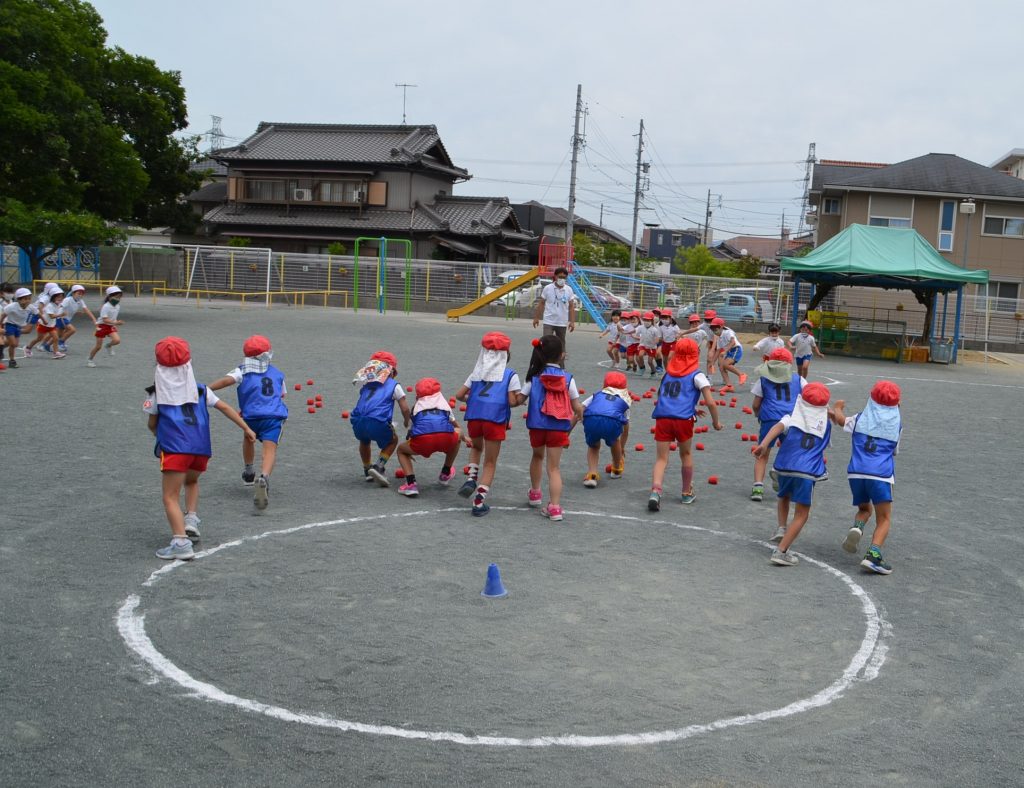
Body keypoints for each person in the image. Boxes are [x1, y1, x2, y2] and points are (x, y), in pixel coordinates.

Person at [143, 336, 256, 560]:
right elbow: (224, 407)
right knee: (192, 481)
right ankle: (191, 518)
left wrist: (158, 433)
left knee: (170, 497)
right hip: (201, 448)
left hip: (175, 449)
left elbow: (152, 424)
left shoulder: (157, 393)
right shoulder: (201, 390)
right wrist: (247, 428)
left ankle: (180, 542)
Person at [753, 382, 832, 567]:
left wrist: (763, 445)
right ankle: (781, 551)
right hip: (807, 471)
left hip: (784, 466)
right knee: (802, 514)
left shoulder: (792, 417)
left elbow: (776, 428)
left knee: (784, 495)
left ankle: (781, 527)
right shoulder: (826, 425)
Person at [208, 335, 289, 511]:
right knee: (270, 449)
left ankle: (249, 470)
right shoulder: (277, 373)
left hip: (251, 416)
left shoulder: (241, 370)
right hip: (273, 417)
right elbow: (282, 394)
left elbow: (225, 381)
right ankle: (264, 477)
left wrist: (207, 389)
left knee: (248, 437)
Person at [830, 381, 903, 575]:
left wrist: (836, 408)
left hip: (856, 473)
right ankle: (873, 555)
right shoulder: (897, 424)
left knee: (864, 509)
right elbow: (894, 452)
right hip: (881, 476)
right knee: (885, 518)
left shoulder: (860, 418)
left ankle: (858, 527)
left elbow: (840, 420)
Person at [648, 338, 722, 511]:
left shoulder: (667, 373)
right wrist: (716, 422)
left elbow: (663, 397)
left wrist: (691, 408)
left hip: (663, 417)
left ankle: (656, 490)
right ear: (695, 354)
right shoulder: (698, 375)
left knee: (661, 458)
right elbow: (710, 402)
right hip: (683, 420)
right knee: (686, 454)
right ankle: (686, 492)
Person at [455, 331, 521, 516]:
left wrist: (474, 400)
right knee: (490, 462)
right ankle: (478, 501)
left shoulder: (476, 373)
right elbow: (512, 402)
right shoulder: (510, 375)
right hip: (495, 419)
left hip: (475, 416)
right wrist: (521, 398)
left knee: (476, 448)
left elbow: (459, 396)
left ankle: (471, 477)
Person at [519, 335, 583, 522]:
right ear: (562, 355)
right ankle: (555, 507)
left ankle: (535, 494)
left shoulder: (534, 378)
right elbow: (577, 406)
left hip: (537, 426)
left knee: (537, 456)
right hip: (558, 428)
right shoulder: (568, 379)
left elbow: (520, 399)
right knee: (554, 468)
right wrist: (581, 415)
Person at [395, 378, 465, 498]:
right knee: (457, 434)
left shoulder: (416, 407)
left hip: (423, 441)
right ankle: (445, 473)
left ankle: (411, 484)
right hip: (445, 439)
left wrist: (410, 447)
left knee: (401, 450)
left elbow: (413, 430)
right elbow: (454, 424)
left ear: (418, 395)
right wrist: (464, 437)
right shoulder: (444, 404)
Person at [749, 348, 804, 502]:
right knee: (789, 453)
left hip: (770, 418)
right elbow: (808, 399)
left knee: (763, 453)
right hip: (792, 420)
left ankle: (757, 487)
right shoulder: (799, 379)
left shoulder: (762, 380)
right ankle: (785, 482)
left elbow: (755, 404)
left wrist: (758, 414)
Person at [350, 350, 411, 486]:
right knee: (392, 440)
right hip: (377, 420)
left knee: (364, 440)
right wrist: (407, 421)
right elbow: (405, 408)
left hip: (357, 420)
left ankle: (367, 469)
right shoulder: (394, 385)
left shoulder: (366, 384)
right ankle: (378, 467)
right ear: (391, 371)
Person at [575, 370, 631, 488]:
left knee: (594, 446)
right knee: (615, 441)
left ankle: (592, 474)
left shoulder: (597, 394)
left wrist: (566, 433)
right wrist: (622, 448)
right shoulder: (625, 400)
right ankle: (616, 468)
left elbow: (579, 410)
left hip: (592, 419)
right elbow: (626, 428)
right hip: (612, 422)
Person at [532, 266, 575, 347]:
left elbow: (571, 306)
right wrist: (536, 318)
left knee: (561, 344)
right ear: (555, 276)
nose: (562, 279)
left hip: (562, 322)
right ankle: (546, 359)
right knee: (546, 342)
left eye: (564, 277)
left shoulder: (569, 290)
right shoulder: (548, 288)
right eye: (560, 277)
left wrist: (572, 322)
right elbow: (541, 303)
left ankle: (560, 359)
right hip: (549, 320)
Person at [87, 286, 125, 367]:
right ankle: (90, 359)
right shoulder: (106, 306)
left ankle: (108, 346)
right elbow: (105, 320)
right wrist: (116, 323)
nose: (118, 299)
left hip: (110, 326)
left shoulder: (117, 306)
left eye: (119, 297)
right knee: (98, 346)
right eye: (116, 296)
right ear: (109, 296)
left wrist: (115, 324)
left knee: (117, 340)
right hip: (102, 326)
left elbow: (113, 317)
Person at [24, 288, 67, 359]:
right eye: (58, 296)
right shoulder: (50, 305)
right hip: (43, 325)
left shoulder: (58, 305)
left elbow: (58, 314)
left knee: (55, 338)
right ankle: (28, 348)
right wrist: (61, 315)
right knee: (39, 339)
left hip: (51, 326)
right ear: (53, 297)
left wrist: (62, 320)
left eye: (61, 297)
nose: (60, 298)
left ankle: (56, 353)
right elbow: (52, 316)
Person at [708, 317, 747, 392]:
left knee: (725, 364)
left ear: (721, 327)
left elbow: (733, 342)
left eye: (716, 330)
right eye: (713, 331)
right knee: (722, 367)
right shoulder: (719, 338)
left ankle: (741, 374)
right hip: (729, 351)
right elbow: (718, 351)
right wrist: (712, 363)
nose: (715, 332)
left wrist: (725, 351)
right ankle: (729, 385)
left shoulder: (728, 332)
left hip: (736, 349)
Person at [56, 284, 97, 351]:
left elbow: (86, 310)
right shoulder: (67, 299)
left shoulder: (80, 301)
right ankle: (60, 343)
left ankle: (47, 345)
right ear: (73, 293)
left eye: (82, 294)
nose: (80, 295)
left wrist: (94, 319)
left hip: (66, 319)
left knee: (59, 334)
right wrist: (59, 316)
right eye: (78, 293)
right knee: (72, 330)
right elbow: (61, 308)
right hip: (61, 318)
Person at [3, 288, 33, 368]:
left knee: (14, 344)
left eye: (29, 299)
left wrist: (43, 320)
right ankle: (12, 361)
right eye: (25, 299)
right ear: (19, 299)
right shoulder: (12, 306)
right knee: (13, 344)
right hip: (9, 325)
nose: (27, 301)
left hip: (18, 327)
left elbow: (37, 313)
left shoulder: (30, 307)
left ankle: (1, 346)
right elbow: (3, 315)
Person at [638, 311, 661, 376]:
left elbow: (657, 339)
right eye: (645, 320)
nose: (646, 322)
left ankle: (653, 371)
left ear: (651, 321)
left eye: (648, 320)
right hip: (643, 345)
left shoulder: (654, 329)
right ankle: (642, 367)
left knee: (650, 362)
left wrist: (654, 342)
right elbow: (635, 332)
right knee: (640, 355)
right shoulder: (641, 327)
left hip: (652, 347)